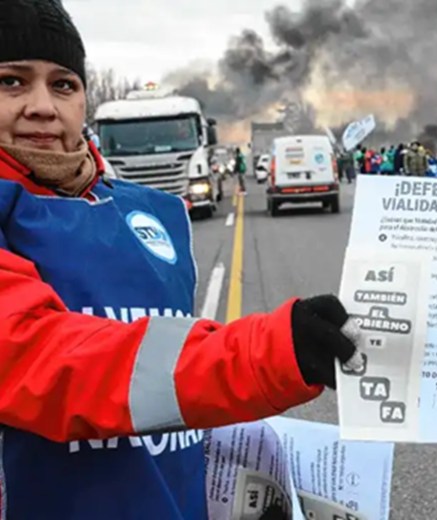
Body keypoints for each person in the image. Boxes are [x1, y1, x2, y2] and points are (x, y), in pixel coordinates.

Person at [0, 2, 362, 518]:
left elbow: (161, 389)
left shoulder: (144, 212)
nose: (42, 105)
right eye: (12, 81)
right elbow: (48, 363)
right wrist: (268, 354)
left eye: (63, 84)